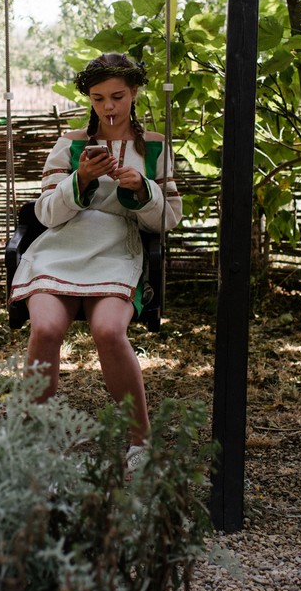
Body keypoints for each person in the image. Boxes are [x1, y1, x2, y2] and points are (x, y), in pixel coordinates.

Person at [9, 52, 183, 464]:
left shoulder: (155, 148)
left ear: (134, 93)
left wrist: (142, 189)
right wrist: (80, 179)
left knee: (108, 330)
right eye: (99, 97)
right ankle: (38, 446)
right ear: (89, 98)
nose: (108, 107)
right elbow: (46, 213)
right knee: (46, 327)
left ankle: (140, 442)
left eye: (118, 96)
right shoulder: (71, 145)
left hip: (115, 250)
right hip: (60, 249)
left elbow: (168, 218)